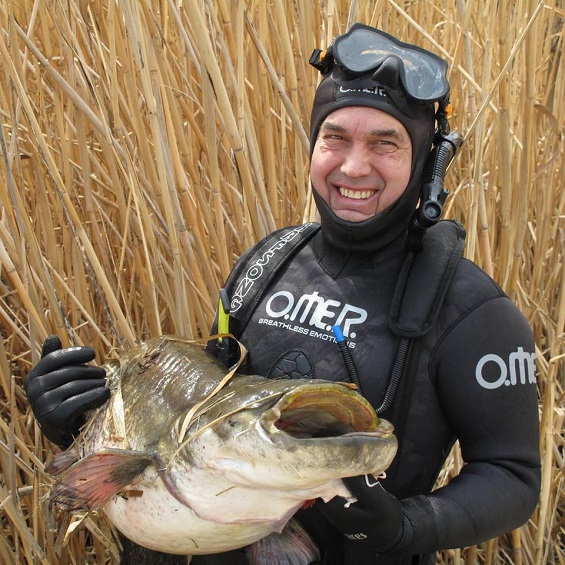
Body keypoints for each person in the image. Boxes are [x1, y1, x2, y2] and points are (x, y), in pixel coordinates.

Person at [25, 23, 540, 565]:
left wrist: (406, 526)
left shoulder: (474, 312)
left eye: (385, 144)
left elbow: (513, 474)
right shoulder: (270, 259)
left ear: (426, 163)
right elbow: (201, 407)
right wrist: (84, 427)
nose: (353, 166)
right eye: (335, 137)